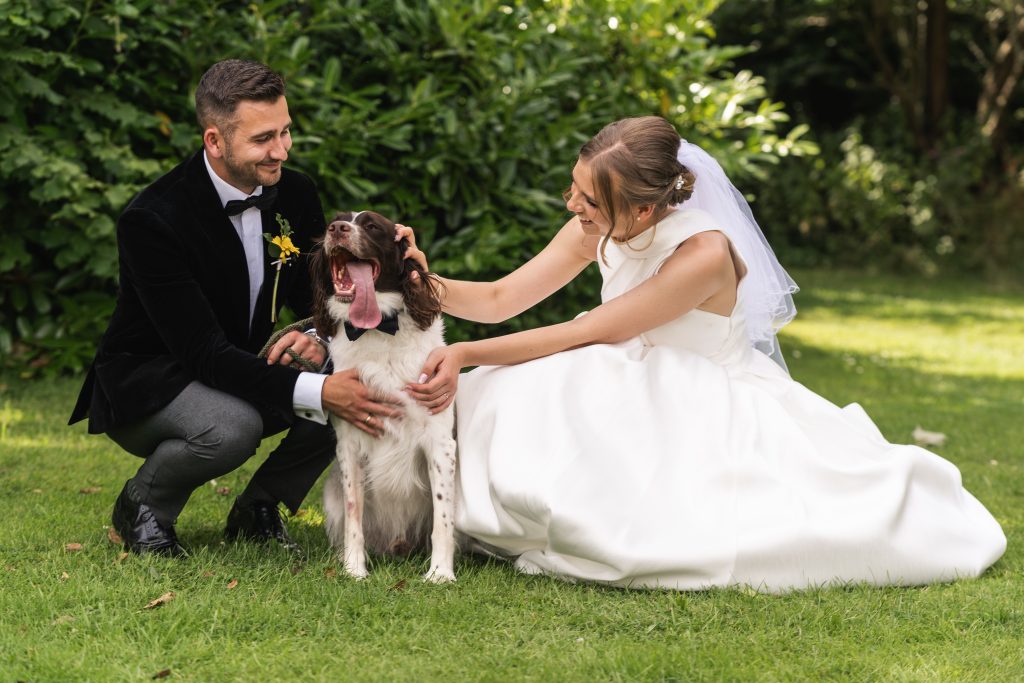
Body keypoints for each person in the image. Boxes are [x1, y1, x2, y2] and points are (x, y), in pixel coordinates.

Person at [402, 116, 1006, 591]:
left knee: (545, 392)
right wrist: (418, 284)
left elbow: (589, 332)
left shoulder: (703, 253)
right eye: (575, 187)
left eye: (588, 198)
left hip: (697, 388)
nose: (572, 205)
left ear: (642, 209)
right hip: (621, 364)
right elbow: (505, 296)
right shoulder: (596, 227)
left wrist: (463, 354)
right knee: (508, 393)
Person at [68, 59, 404, 558]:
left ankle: (259, 508)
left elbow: (317, 300)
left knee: (366, 381)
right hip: (154, 382)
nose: (282, 150)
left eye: (286, 131)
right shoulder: (151, 220)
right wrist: (320, 390)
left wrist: (315, 336)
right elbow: (202, 352)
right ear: (214, 141)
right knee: (234, 428)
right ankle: (145, 504)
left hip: (241, 368)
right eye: (263, 138)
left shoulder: (295, 191)